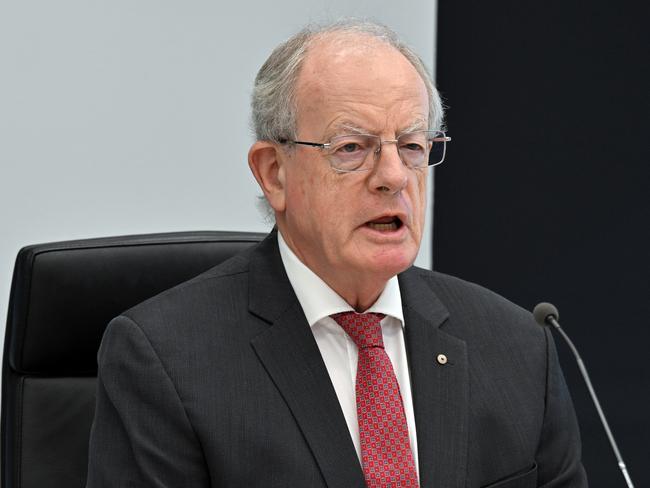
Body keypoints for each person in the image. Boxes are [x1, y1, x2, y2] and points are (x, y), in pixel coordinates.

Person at [86, 20, 587, 488]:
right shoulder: (166, 359)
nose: (393, 177)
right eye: (351, 147)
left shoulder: (518, 348)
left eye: (412, 146)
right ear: (273, 173)